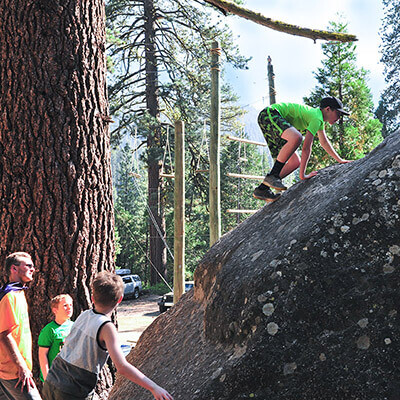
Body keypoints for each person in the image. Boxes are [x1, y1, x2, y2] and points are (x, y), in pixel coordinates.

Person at [42, 271, 173, 400]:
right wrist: (154, 388)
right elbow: (121, 366)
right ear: (120, 299)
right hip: (73, 391)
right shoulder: (106, 327)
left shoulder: (84, 315)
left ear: (92, 298)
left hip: (52, 381)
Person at [253, 96, 351, 202]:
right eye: (338, 113)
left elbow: (324, 142)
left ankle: (262, 189)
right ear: (328, 109)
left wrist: (340, 160)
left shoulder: (319, 121)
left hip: (270, 120)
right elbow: (306, 148)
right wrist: (302, 175)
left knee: (295, 162)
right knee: (296, 137)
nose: (339, 117)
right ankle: (273, 176)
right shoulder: (316, 118)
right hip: (270, 114)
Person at [0, 252, 42, 400]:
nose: (33, 269)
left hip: (16, 370)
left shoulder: (19, 293)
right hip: (14, 372)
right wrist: (21, 366)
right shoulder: (9, 296)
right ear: (14, 269)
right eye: (28, 266)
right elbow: (4, 335)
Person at [38, 294, 74, 382]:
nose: (69, 308)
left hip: (71, 377)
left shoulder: (74, 326)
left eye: (71, 305)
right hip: (54, 378)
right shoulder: (49, 330)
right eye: (65, 306)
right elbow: (42, 355)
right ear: (55, 310)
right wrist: (47, 378)